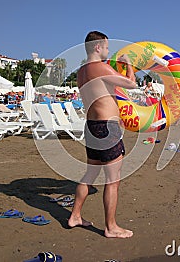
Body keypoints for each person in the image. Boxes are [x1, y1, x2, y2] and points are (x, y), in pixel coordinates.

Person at [68, 31, 136, 238]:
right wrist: (128, 65)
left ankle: (75, 216)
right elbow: (131, 84)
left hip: (91, 126)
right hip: (107, 128)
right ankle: (111, 227)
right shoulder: (101, 67)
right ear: (98, 47)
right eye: (106, 47)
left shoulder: (81, 72)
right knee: (112, 180)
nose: (108, 51)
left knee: (90, 174)